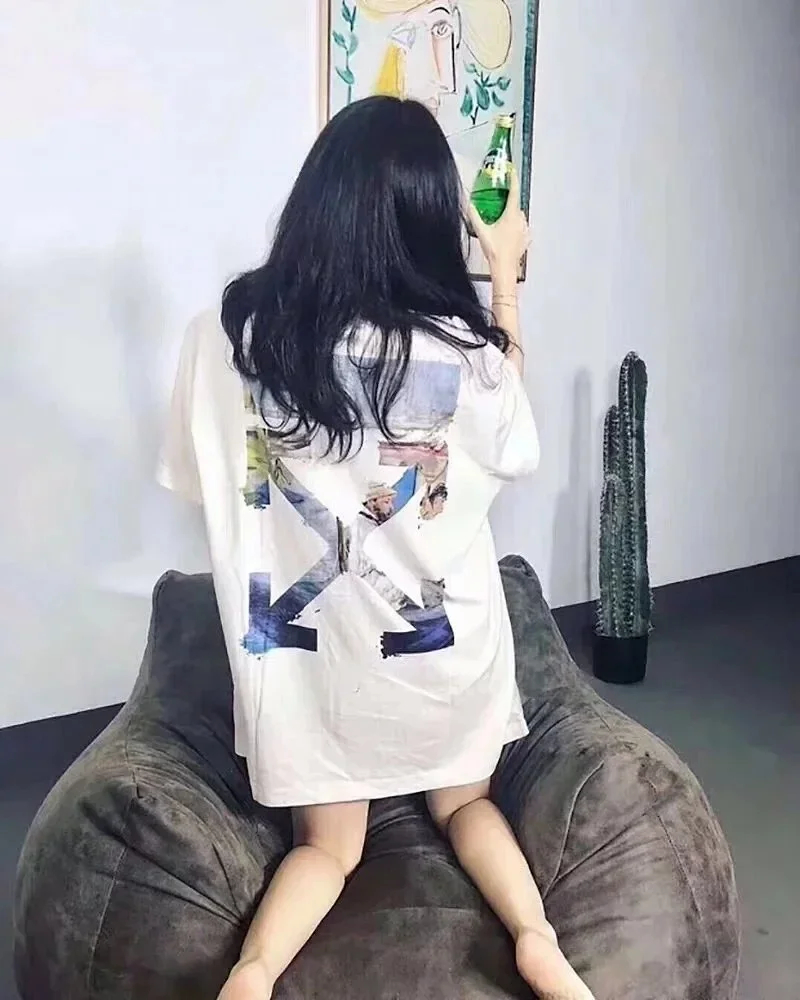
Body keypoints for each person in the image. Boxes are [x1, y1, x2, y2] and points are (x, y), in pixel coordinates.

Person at [158, 96, 595, 1000]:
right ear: (431, 223)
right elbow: (512, 437)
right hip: (441, 659)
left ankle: (252, 973)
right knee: (467, 803)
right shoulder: (465, 353)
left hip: (310, 672)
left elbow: (207, 483)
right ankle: (536, 936)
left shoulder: (229, 336)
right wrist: (503, 273)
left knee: (329, 848)